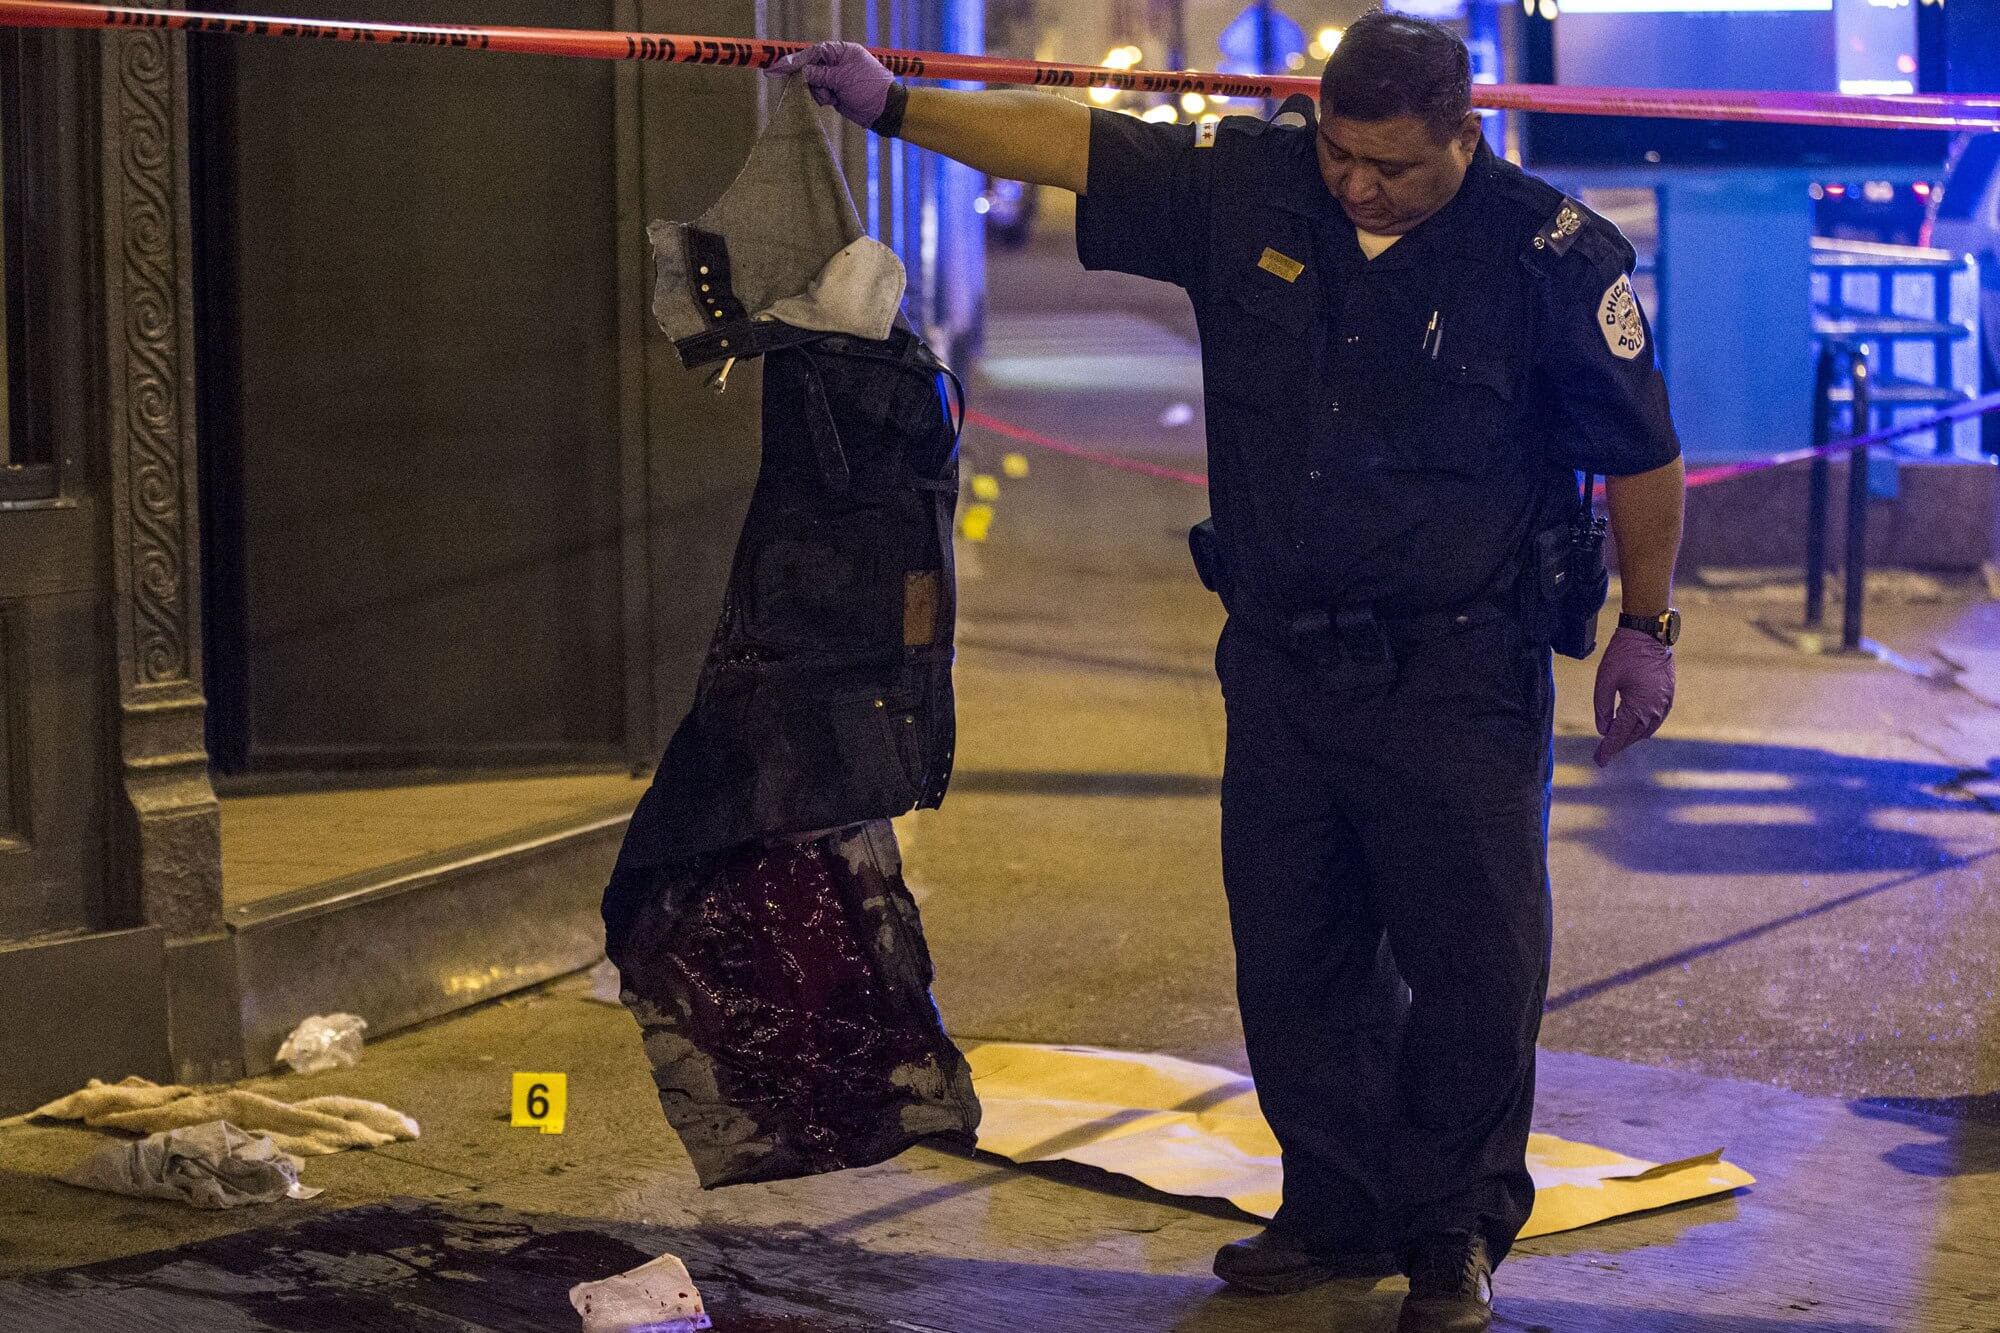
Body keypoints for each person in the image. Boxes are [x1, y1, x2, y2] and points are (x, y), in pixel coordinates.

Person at [773, 12, 1684, 1331]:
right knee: (1295, 953)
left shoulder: (1544, 253)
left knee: (1476, 964)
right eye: (1340, 155)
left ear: (1461, 135)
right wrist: (895, 103)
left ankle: (1451, 1237)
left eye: (1391, 165)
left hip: (1458, 670)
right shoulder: (1252, 181)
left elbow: (1643, 449)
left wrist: (1647, 628)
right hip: (1281, 660)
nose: (1359, 185)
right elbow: (1076, 145)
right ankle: (1333, 1207)